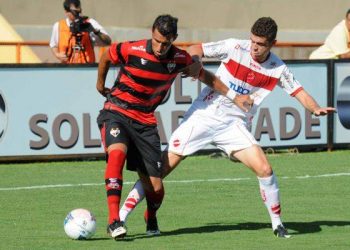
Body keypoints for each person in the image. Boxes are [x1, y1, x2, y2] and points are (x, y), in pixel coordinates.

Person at [119, 17, 337, 238]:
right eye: (253, 40)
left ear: (273, 43)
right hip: (203, 115)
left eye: (260, 44)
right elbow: (197, 48)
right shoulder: (235, 46)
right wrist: (196, 61)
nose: (254, 47)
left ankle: (278, 224)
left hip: (233, 125)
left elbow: (298, 91)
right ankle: (121, 217)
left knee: (265, 169)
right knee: (160, 171)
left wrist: (314, 107)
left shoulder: (277, 68)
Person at [96, 14, 251, 240]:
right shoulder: (132, 49)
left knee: (156, 188)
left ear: (174, 39)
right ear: (152, 32)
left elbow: (205, 75)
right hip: (116, 111)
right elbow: (106, 56)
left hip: (145, 121)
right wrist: (100, 85)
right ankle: (113, 221)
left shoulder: (179, 59)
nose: (160, 47)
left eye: (166, 43)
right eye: (158, 41)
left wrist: (233, 95)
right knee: (116, 155)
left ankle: (151, 215)